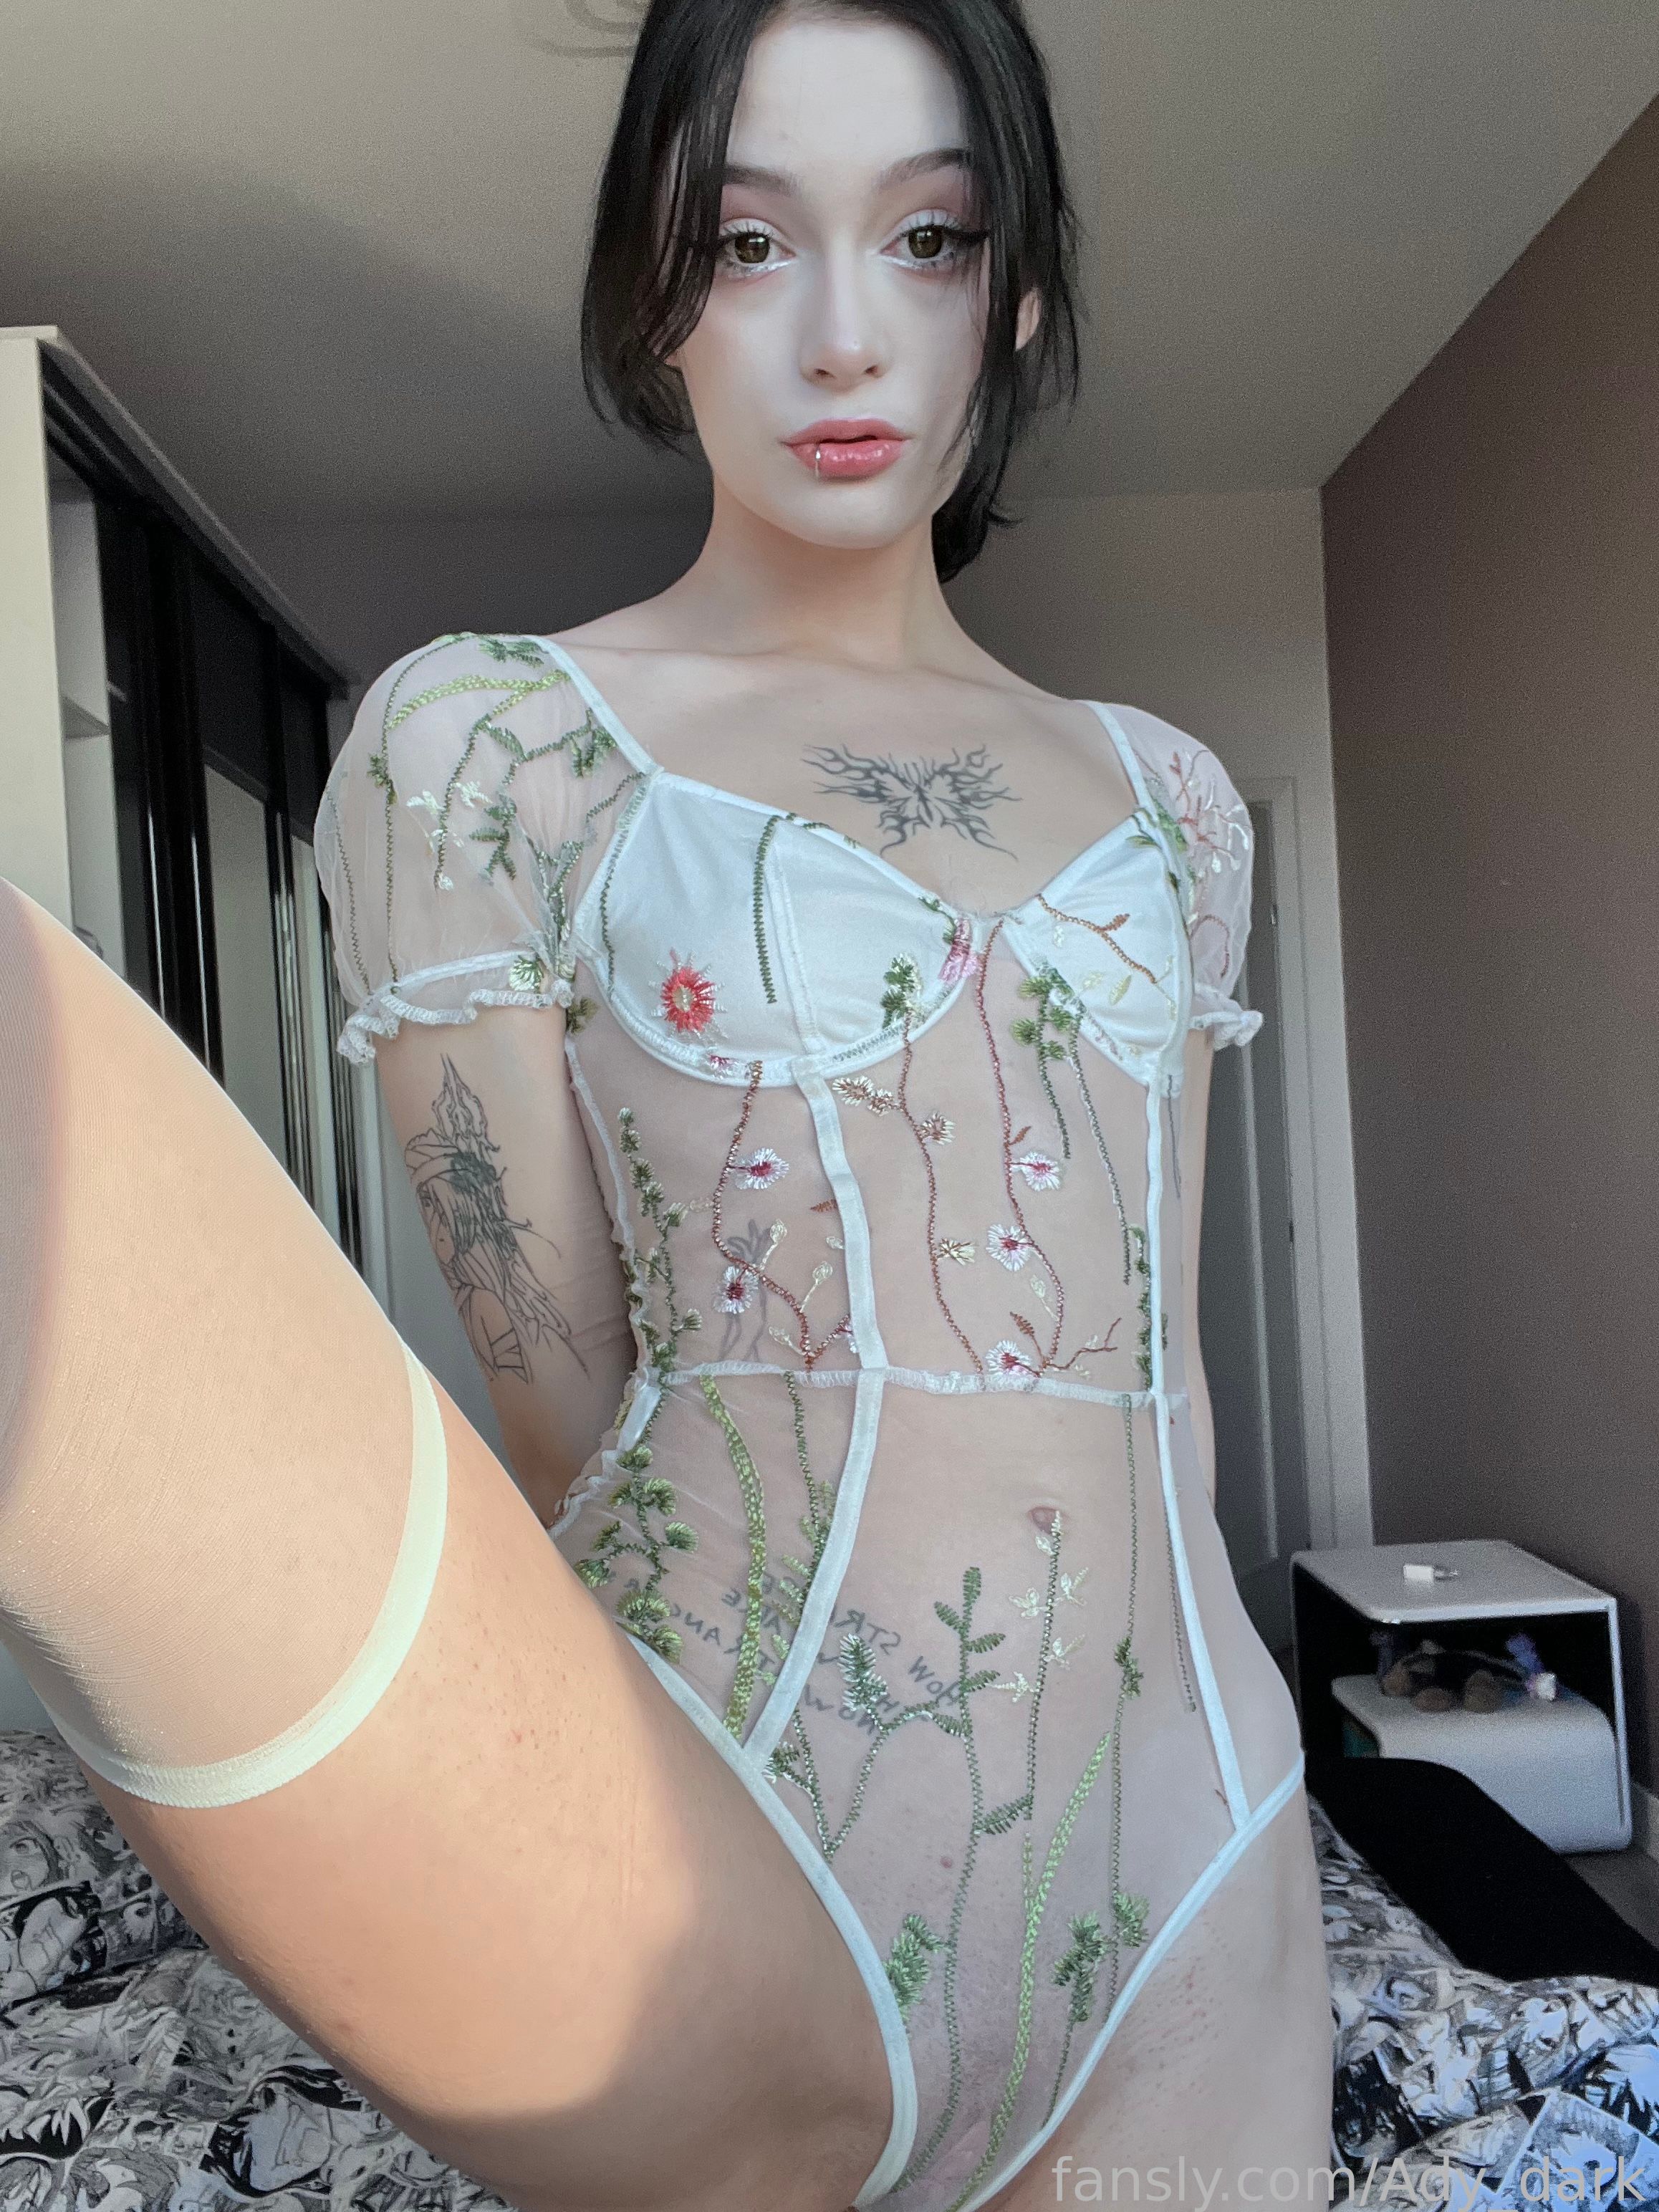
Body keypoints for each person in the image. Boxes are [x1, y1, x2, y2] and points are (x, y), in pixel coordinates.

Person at [0, 3, 1332, 2208]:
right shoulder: (491, 749)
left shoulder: (1174, 802)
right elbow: (567, 1419)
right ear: (654, 290)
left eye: (925, 237)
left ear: (1011, 292)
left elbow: (1158, 1378)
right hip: (752, 1834)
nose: (841, 333)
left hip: (1204, 1858)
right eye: (746, 240)